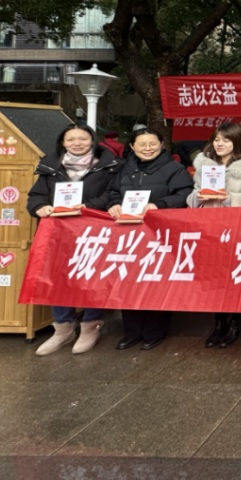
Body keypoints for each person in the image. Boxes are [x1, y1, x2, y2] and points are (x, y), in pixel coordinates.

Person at [27, 123, 123, 356]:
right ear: (63, 142)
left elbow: (113, 195)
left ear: (92, 140)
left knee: (92, 275)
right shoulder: (51, 165)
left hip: (94, 231)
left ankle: (91, 325)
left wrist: (87, 206)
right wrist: (40, 207)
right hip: (59, 232)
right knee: (57, 277)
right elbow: (36, 195)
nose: (77, 143)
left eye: (82, 138)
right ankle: (63, 328)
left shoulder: (109, 165)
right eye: (71, 139)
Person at [106, 127, 193, 350]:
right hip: (129, 235)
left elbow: (184, 194)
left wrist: (160, 205)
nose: (148, 148)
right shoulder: (125, 168)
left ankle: (155, 332)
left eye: (153, 143)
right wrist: (113, 204)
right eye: (142, 144)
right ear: (132, 147)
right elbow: (113, 192)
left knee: (156, 281)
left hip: (159, 234)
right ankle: (131, 332)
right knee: (128, 281)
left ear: (161, 145)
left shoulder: (175, 169)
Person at [188, 123, 241, 350]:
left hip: (238, 229)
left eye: (226, 140)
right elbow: (192, 195)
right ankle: (219, 321)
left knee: (237, 275)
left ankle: (236, 322)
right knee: (214, 277)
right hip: (210, 229)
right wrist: (198, 197)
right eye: (217, 139)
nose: (220, 144)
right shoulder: (205, 165)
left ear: (238, 142)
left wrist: (229, 198)